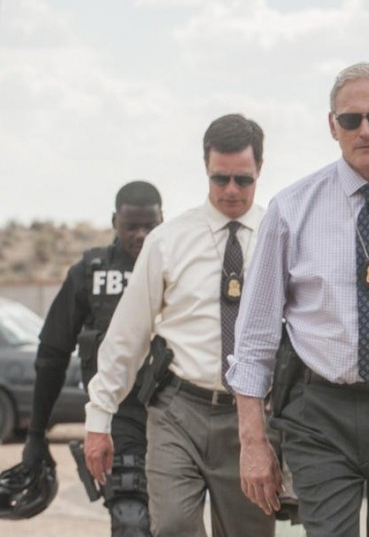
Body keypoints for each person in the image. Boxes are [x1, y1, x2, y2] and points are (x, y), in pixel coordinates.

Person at [226, 62, 369, 537]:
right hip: (320, 414)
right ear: (333, 126)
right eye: (351, 120)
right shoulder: (291, 210)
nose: (365, 130)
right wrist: (252, 442)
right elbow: (253, 339)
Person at [83, 114, 275, 537]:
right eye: (220, 178)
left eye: (243, 179)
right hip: (177, 410)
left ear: (260, 168)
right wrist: (99, 419)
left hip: (251, 417)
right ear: (206, 167)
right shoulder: (167, 241)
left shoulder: (278, 237)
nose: (230, 190)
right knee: (172, 525)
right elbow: (127, 336)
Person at [0, 181, 162, 534]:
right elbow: (51, 357)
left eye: (149, 226)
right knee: (131, 520)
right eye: (131, 226)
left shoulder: (180, 268)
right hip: (117, 418)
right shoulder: (91, 274)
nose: (140, 235)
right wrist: (36, 435)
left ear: (162, 221)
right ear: (115, 222)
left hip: (175, 415)